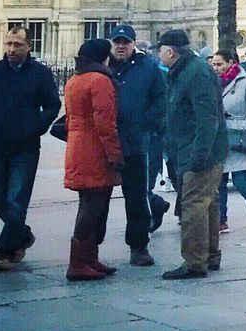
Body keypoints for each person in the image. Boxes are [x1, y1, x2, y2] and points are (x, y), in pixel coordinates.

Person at [0, 26, 61, 271]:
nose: (11, 49)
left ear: (28, 46)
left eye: (17, 44)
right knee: (0, 201)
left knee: (16, 201)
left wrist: (36, 126)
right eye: (8, 43)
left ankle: (6, 251)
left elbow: (52, 104)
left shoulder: (40, 74)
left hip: (25, 148)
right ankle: (23, 234)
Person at [157, 28, 227, 279]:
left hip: (199, 150)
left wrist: (199, 154)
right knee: (207, 202)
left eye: (161, 50)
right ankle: (209, 255)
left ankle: (195, 261)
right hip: (194, 147)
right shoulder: (185, 71)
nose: (159, 55)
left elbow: (206, 117)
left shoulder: (195, 72)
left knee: (194, 204)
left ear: (170, 51)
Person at [63, 38, 124, 281]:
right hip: (95, 148)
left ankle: (88, 258)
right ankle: (79, 262)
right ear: (103, 57)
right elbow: (105, 122)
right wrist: (115, 154)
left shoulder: (74, 79)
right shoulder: (100, 80)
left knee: (88, 203)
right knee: (93, 206)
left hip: (78, 145)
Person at [107, 24, 167, 267]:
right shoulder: (104, 66)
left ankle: (138, 245)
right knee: (98, 197)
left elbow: (160, 98)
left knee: (136, 196)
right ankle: (89, 246)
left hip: (135, 140)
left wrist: (148, 124)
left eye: (126, 42)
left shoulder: (148, 67)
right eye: (117, 42)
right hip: (107, 140)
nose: (121, 46)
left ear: (133, 44)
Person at [212, 49, 246, 230]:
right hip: (220, 136)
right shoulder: (213, 83)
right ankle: (221, 219)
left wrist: (245, 127)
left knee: (241, 180)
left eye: (220, 64)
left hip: (239, 137)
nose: (216, 68)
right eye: (214, 64)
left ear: (231, 62)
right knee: (219, 181)